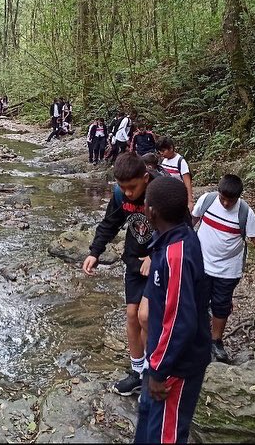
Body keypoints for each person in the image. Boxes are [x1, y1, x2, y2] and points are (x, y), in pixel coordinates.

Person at [135, 177, 210, 444]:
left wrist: (158, 371)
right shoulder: (170, 239)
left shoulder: (176, 254)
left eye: (146, 202)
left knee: (166, 434)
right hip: (158, 357)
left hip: (175, 367)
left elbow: (180, 320)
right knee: (147, 417)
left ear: (151, 211)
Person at [83, 153, 162, 396]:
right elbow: (110, 223)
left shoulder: (161, 193)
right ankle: (137, 372)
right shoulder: (120, 195)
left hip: (160, 264)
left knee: (146, 317)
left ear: (145, 178)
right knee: (131, 315)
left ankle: (153, 372)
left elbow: (181, 231)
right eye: (122, 187)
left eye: (132, 187)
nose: (128, 193)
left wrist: (155, 256)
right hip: (134, 260)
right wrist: (95, 252)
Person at [191, 174, 255, 363]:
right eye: (223, 198)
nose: (226, 203)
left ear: (238, 197)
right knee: (197, 302)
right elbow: (191, 222)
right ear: (218, 192)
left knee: (221, 305)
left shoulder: (245, 213)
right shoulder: (207, 200)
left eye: (231, 200)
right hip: (200, 263)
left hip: (228, 269)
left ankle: (216, 341)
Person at [157, 137, 194, 212]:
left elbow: (187, 183)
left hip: (178, 196)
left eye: (163, 150)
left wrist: (190, 201)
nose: (161, 153)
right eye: (160, 151)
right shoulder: (164, 161)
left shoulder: (180, 162)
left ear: (171, 148)